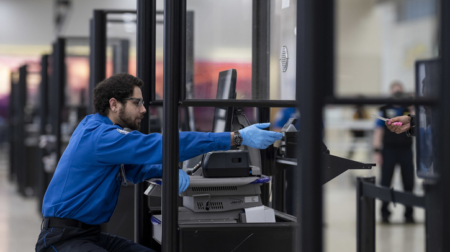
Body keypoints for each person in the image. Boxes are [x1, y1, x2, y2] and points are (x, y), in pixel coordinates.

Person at [35, 73, 282, 252]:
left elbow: (131, 170)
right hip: (62, 240)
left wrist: (164, 170)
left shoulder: (97, 127)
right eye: (137, 102)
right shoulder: (102, 137)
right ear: (114, 104)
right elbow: (163, 145)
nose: (144, 110)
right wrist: (235, 137)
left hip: (88, 234)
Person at [372, 82, 415, 224]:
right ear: (390, 93)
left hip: (406, 150)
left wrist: (410, 106)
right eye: (395, 92)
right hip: (389, 149)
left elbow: (418, 120)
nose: (397, 95)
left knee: (408, 182)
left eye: (400, 93)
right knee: (385, 181)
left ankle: (409, 214)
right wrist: (377, 151)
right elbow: (378, 131)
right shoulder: (384, 110)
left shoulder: (408, 109)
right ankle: (385, 214)